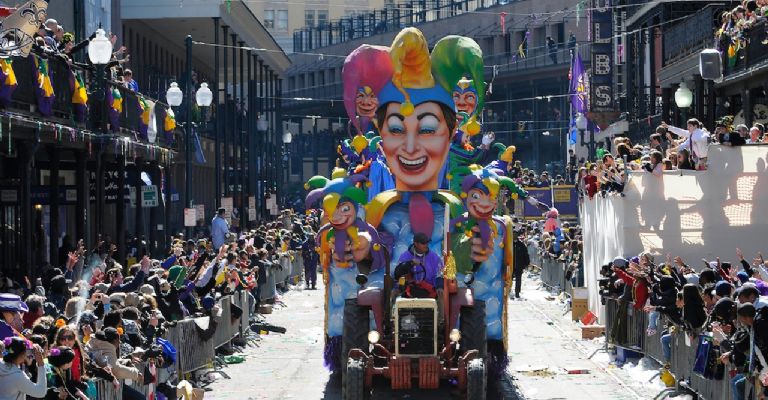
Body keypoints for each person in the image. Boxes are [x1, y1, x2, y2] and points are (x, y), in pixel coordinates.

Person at [512, 230, 530, 299]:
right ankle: (508, 292)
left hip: (519, 265)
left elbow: (526, 254)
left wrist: (526, 263)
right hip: (510, 265)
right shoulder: (509, 244)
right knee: (509, 279)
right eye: (513, 234)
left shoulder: (521, 245)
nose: (514, 236)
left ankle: (517, 293)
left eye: (515, 234)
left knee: (518, 280)